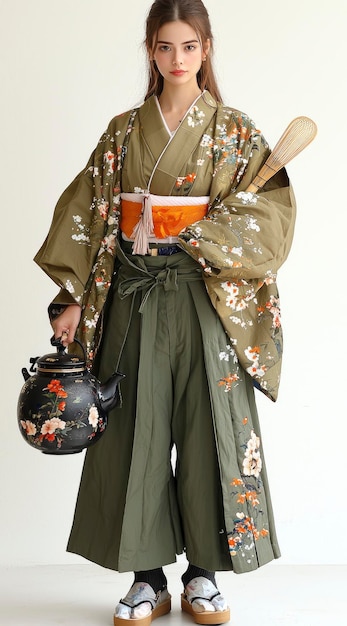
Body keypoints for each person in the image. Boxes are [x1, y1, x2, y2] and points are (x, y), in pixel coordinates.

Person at [34, 1, 296, 624]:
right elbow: (91, 211)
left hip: (205, 297)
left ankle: (202, 575)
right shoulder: (124, 131)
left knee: (210, 429)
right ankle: (146, 577)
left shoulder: (233, 132)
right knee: (133, 431)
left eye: (188, 47)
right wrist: (71, 296)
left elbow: (268, 214)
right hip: (133, 290)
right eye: (163, 47)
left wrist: (200, 234)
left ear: (206, 48)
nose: (176, 60)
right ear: (149, 51)